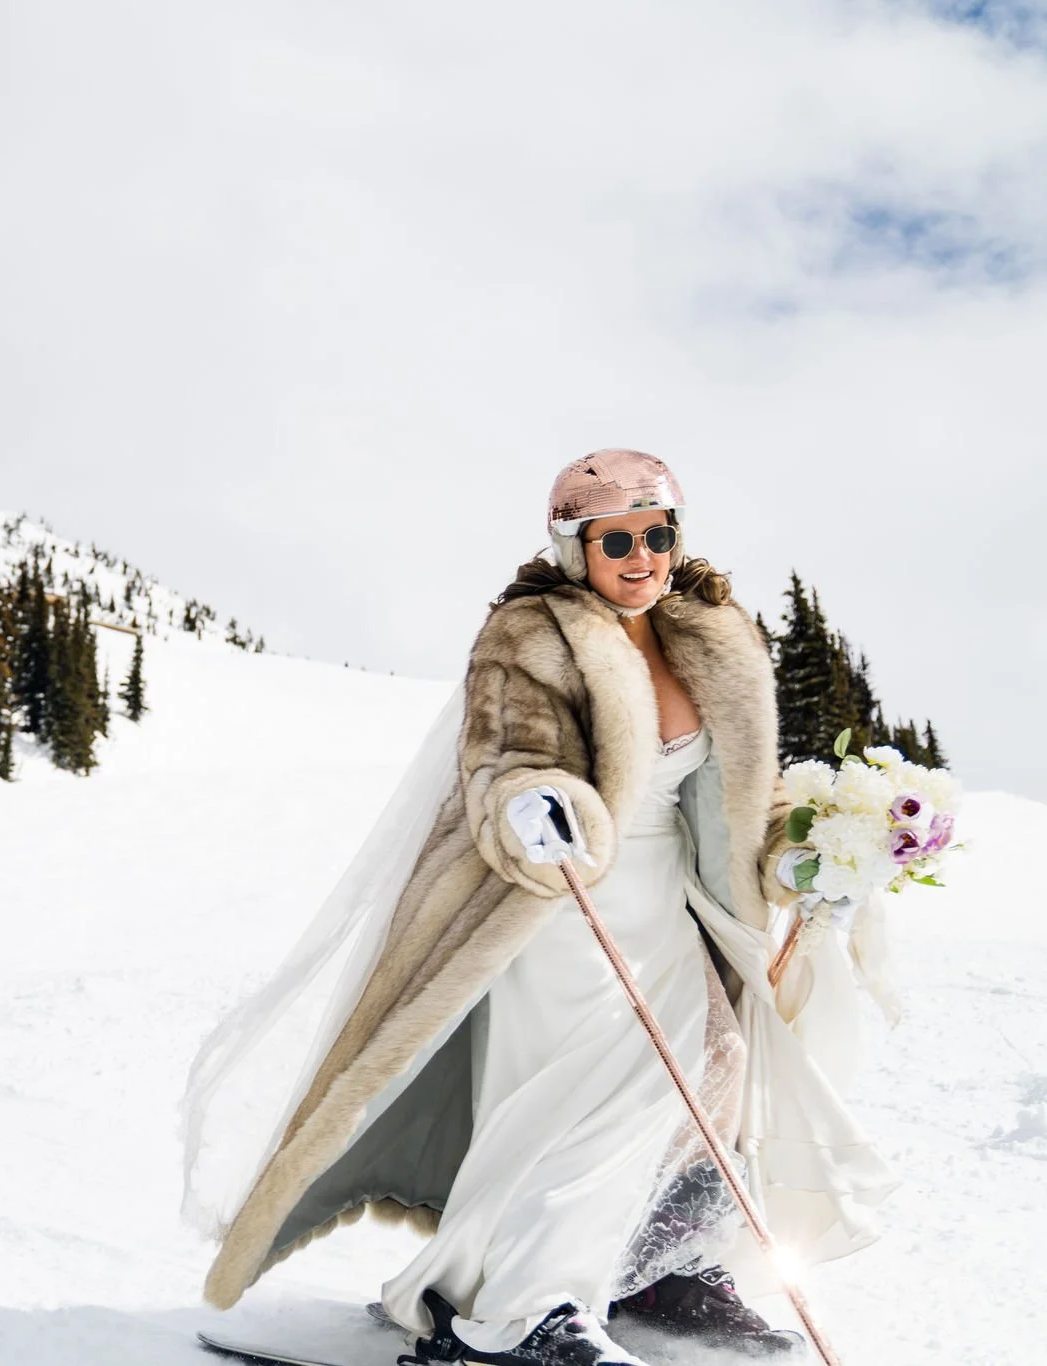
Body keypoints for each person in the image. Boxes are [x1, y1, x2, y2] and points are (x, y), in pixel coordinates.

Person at [185, 452, 894, 1366]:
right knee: (593, 1097)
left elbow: (735, 803)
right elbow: (503, 759)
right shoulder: (534, 634)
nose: (641, 556)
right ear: (574, 544)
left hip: (668, 906)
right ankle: (521, 1308)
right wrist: (530, 802)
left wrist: (808, 857)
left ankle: (661, 1267)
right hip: (559, 897)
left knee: (714, 1069)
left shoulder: (706, 633)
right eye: (616, 540)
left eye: (657, 534)